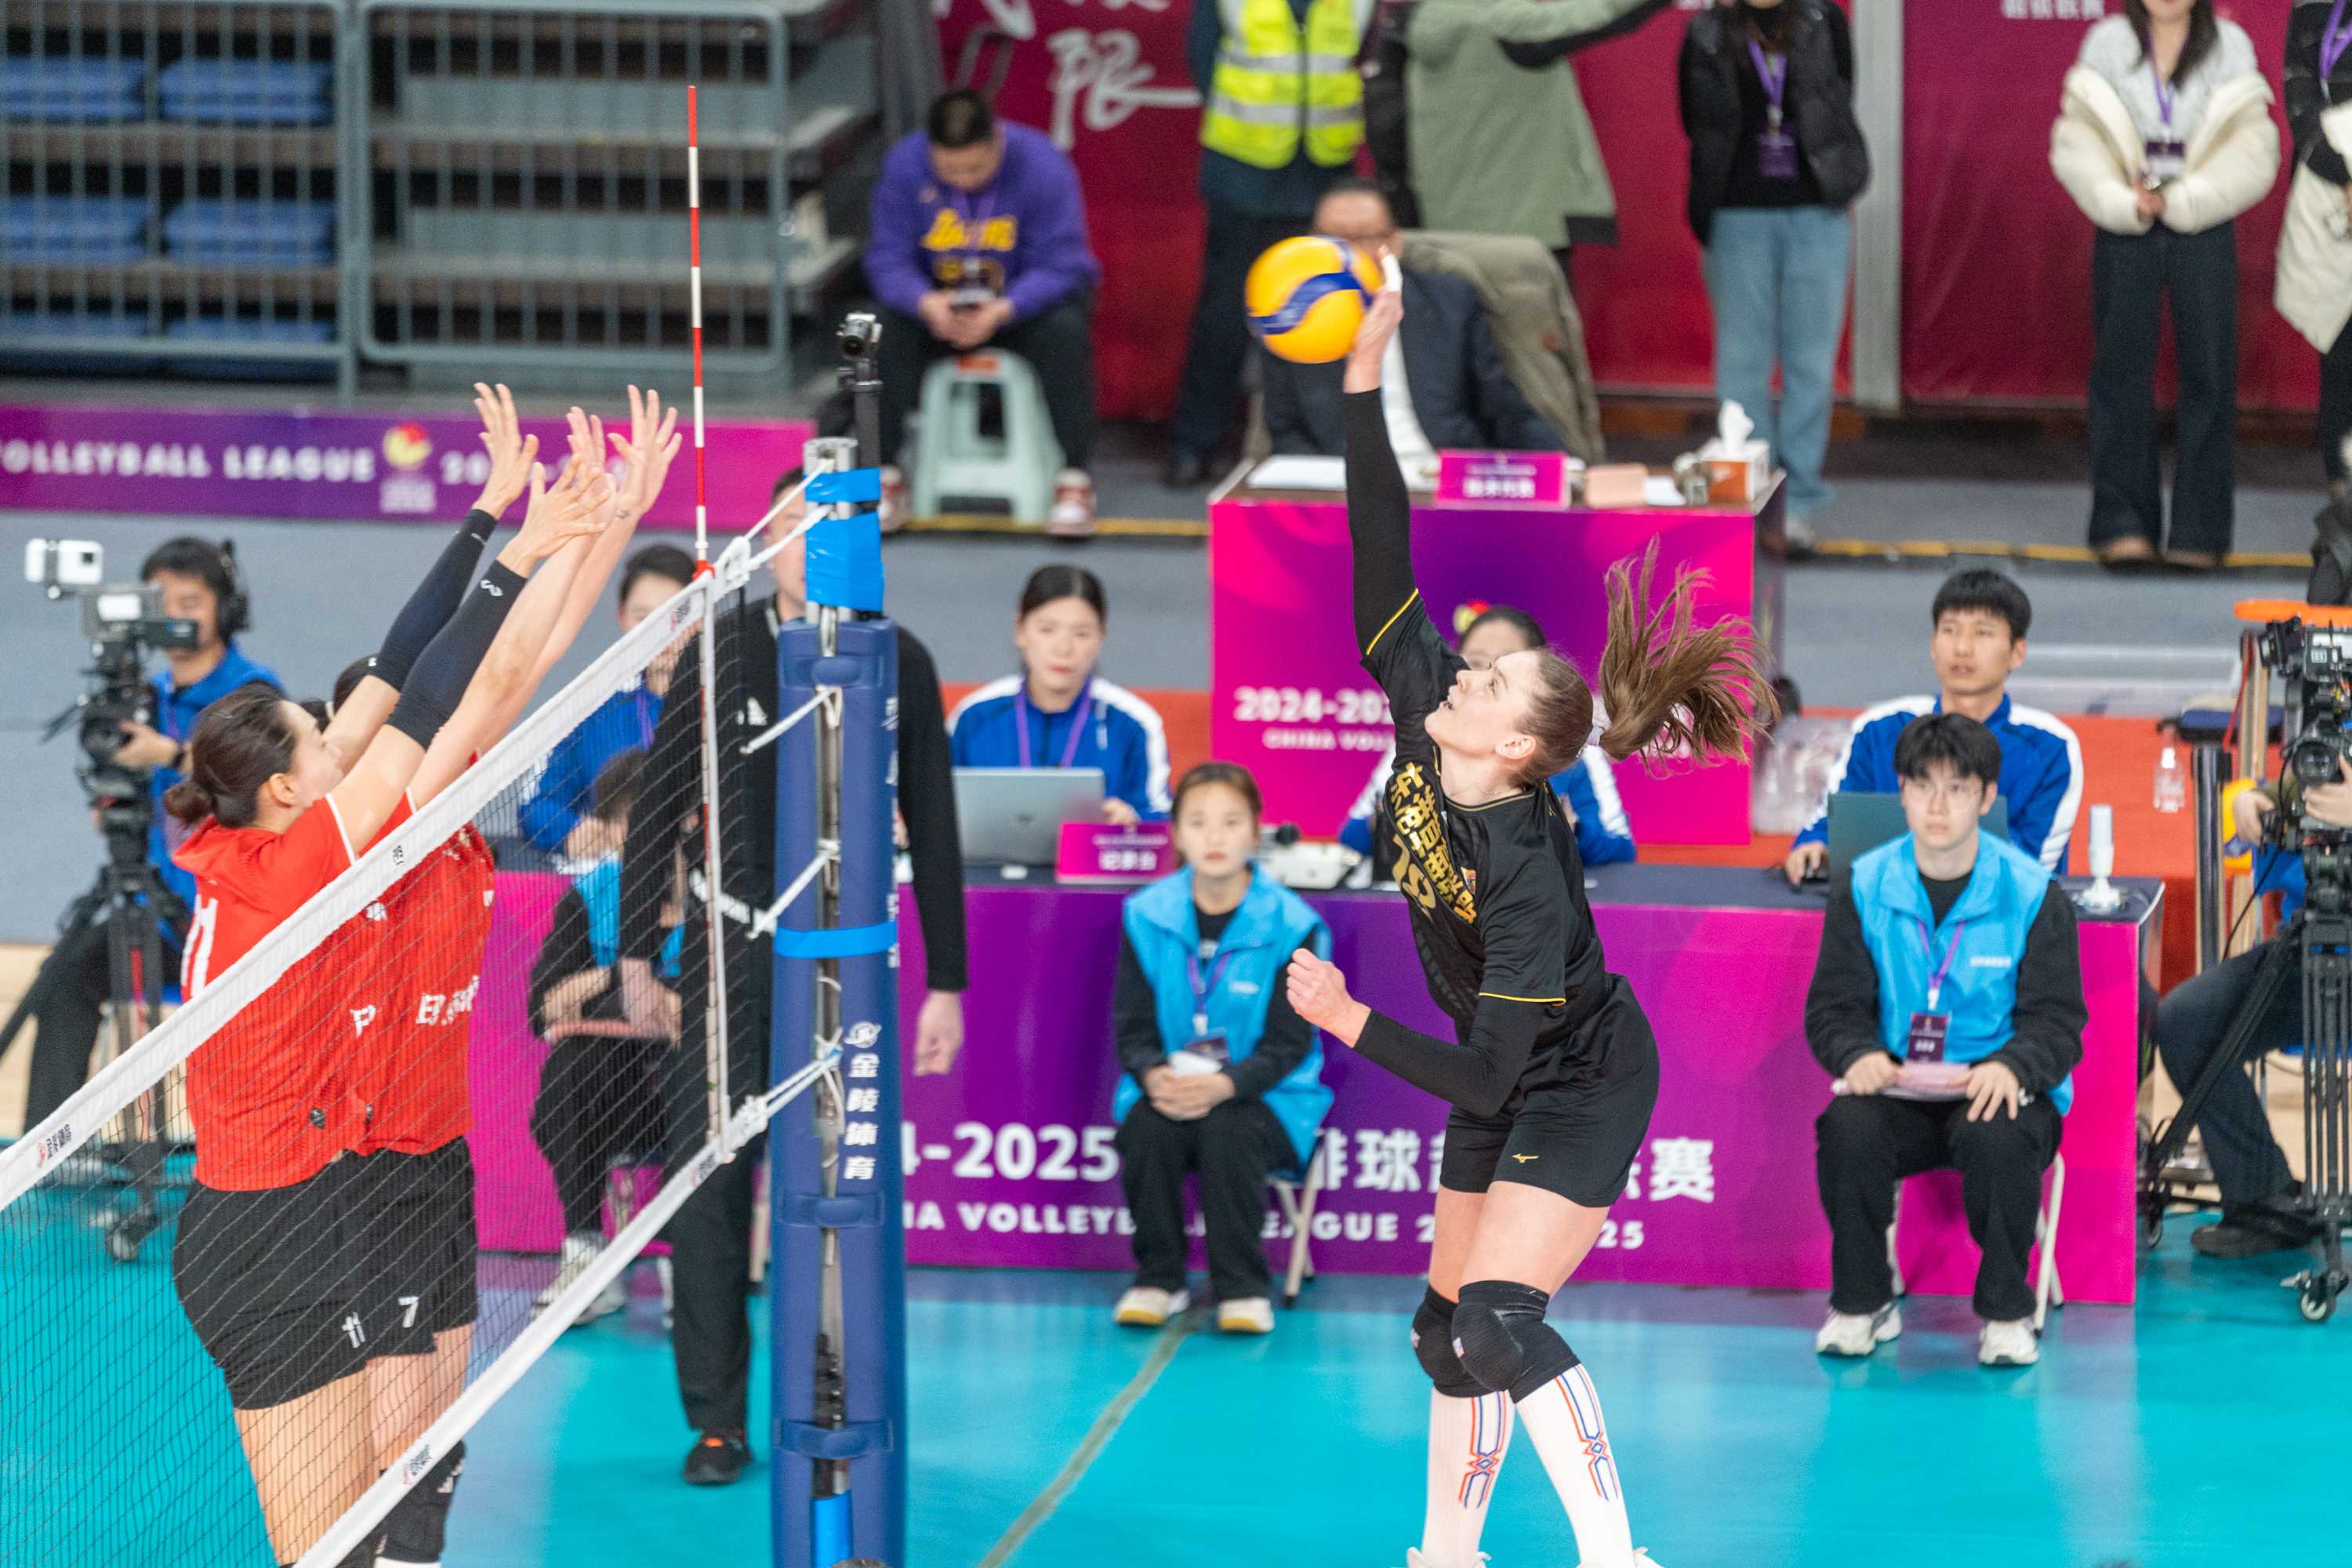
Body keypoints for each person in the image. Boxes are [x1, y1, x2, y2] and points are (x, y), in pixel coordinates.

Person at [1283, 281, 1772, 1568]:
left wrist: (1350, 1020)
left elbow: (1491, 1077)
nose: (1463, 669)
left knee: (1498, 1320)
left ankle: (1618, 1558)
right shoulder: (1422, 708)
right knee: (1442, 1336)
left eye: (1490, 678)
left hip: (1582, 1075)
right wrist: (1363, 380)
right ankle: (1447, 1554)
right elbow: (1379, 538)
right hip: (1504, 1066)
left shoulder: (1525, 876)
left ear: (1512, 744)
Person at [163, 435, 614, 1568]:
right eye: (324, 742)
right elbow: (442, 698)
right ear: (287, 786)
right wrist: (528, 556)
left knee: (369, 1523)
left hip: (306, 1206)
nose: (343, 736)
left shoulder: (250, 832)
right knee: (328, 1550)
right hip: (266, 1237)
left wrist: (487, 518)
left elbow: (398, 673)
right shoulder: (301, 868)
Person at [616, 466, 969, 1489]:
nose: (809, 543)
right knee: (712, 1192)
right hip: (728, 957)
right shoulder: (721, 646)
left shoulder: (896, 656)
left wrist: (947, 981)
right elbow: (658, 804)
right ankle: (717, 1422)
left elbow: (934, 821)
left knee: (836, 1196)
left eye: (831, 524)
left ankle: (832, 1410)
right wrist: (636, 954)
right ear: (766, 535)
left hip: (845, 966)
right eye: (793, 523)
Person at [1806, 713, 2086, 1369]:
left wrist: (2013, 1067)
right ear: (1901, 793)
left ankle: (2007, 1314)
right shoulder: (1864, 885)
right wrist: (1856, 1055)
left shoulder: (2032, 894)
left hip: (1996, 1090)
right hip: (1899, 1089)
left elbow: (2058, 1021)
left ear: (1986, 798)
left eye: (1957, 789)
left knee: (2001, 1136)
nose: (1937, 805)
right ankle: (1862, 1303)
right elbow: (1833, 1007)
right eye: (1922, 786)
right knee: (1846, 1128)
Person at [16, 537, 281, 1131]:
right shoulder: (143, 696)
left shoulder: (254, 693)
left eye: (190, 602)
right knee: (63, 980)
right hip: (158, 917)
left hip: (233, 921)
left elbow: (265, 792)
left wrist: (174, 755)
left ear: (225, 609)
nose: (175, 617)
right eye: (162, 603)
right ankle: (47, 1156)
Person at [2051, 0, 2276, 571]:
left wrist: (2186, 200)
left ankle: (2201, 532)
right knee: (2119, 370)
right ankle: (2122, 524)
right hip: (2125, 220)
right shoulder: (2105, 43)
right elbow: (2078, 140)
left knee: (2210, 374)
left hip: (2203, 221)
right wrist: (2121, 200)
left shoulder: (2230, 46)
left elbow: (2253, 147)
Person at [1111, 762, 1333, 1335]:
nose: (1214, 837)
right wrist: (1153, 1076)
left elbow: (1289, 1043)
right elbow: (1132, 1028)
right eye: (1198, 822)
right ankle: (1158, 1280)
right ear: (1177, 834)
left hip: (1271, 1096)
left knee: (1229, 1130)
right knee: (1148, 1128)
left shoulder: (1294, 923)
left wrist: (1225, 1085)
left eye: (1231, 822)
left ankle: (1243, 1288)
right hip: (1171, 1086)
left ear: (1256, 831)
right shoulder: (1146, 914)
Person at [865, 89, 1102, 538]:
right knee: (878, 329)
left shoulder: (1042, 164)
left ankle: (1074, 478)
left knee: (1067, 329)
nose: (963, 179)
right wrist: (924, 302)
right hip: (937, 310)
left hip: (1017, 309)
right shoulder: (904, 165)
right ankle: (886, 473)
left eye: (975, 168)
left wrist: (1005, 309)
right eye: (949, 170)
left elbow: (1064, 263)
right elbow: (886, 258)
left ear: (997, 141)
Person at [1679, 0, 1869, 550]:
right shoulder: (1705, 32)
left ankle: (1800, 502)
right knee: (1742, 364)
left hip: (1816, 212)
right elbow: (1695, 121)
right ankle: (1751, 496)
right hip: (1737, 214)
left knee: (1811, 363)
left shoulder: (1823, 20)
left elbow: (1839, 99)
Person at [1164, 0, 1374, 488]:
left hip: (1327, 174)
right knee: (1224, 318)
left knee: (1333, 317)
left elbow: (1362, 57)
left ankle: (1322, 445)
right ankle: (1194, 444)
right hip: (1244, 172)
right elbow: (1203, 60)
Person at [2150, 771, 2347, 1258]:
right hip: (2311, 947)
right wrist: (2259, 800)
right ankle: (2265, 1200)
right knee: (2187, 1022)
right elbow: (2304, 781)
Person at [1784, 569, 2083, 884]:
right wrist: (1814, 845)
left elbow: (2034, 867)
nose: (1962, 648)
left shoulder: (2051, 747)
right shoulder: (1878, 730)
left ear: (2017, 652)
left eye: (1983, 633)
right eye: (1950, 630)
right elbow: (1830, 822)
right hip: (1882, 900)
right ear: (1933, 644)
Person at [1260, 180, 1564, 466]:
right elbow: (1285, 430)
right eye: (1334, 239)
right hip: (1342, 480)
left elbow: (1504, 409)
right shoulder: (1286, 314)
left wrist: (1567, 468)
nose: (1349, 253)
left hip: (1440, 473)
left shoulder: (1449, 302)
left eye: (1366, 238)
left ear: (1394, 243)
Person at [528, 749, 677, 1324]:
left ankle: (692, 1255)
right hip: (607, 1090)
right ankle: (586, 1252)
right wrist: (625, 978)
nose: (642, 837)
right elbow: (545, 1007)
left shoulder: (713, 898)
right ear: (609, 831)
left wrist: (598, 990)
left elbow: (695, 1013)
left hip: (684, 1085)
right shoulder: (590, 896)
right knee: (567, 1077)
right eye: (627, 823)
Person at [1392, 0, 1674, 285]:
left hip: (1452, 226)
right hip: (1521, 234)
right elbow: (1598, 15)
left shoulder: (1435, 18)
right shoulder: (1503, 23)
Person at [1341, 605, 1636, 869]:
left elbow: (1621, 849)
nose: (1473, 678)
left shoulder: (1574, 753)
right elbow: (1352, 837)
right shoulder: (1425, 733)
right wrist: (1388, 821)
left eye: (1498, 679)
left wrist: (1570, 832)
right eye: (1475, 663)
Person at [949, 565, 1174, 826]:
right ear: (1020, 631)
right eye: (1047, 630)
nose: (1063, 648)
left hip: (1095, 853)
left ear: (1101, 637)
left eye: (1082, 634)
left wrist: (1133, 820)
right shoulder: (975, 716)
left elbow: (1163, 819)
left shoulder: (1133, 723)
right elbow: (935, 805)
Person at [517, 542, 697, 853]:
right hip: (617, 874)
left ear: (702, 615)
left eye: (675, 616)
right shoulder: (591, 709)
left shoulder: (733, 699)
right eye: (643, 618)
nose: (660, 632)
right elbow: (537, 805)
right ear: (622, 618)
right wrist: (574, 832)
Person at [2281, 0, 2352, 497]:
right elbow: (2302, 104)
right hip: (2331, 201)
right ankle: (2343, 497)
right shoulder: (2313, 11)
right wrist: (2345, 176)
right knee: (2341, 350)